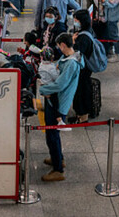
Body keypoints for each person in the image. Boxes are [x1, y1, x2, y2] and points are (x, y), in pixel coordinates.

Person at [39, 33, 83, 182]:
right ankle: (57, 157)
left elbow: (60, 84)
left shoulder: (71, 63)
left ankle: (58, 169)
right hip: (56, 98)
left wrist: (43, 90)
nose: (58, 48)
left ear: (63, 45)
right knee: (51, 133)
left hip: (59, 103)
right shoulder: (70, 58)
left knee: (52, 134)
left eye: (59, 45)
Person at [71, 9, 97, 122]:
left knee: (81, 92)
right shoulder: (89, 31)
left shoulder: (83, 37)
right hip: (85, 68)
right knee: (81, 90)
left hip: (83, 68)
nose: (75, 21)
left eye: (76, 19)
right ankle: (80, 114)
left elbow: (76, 52)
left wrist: (72, 41)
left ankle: (82, 116)